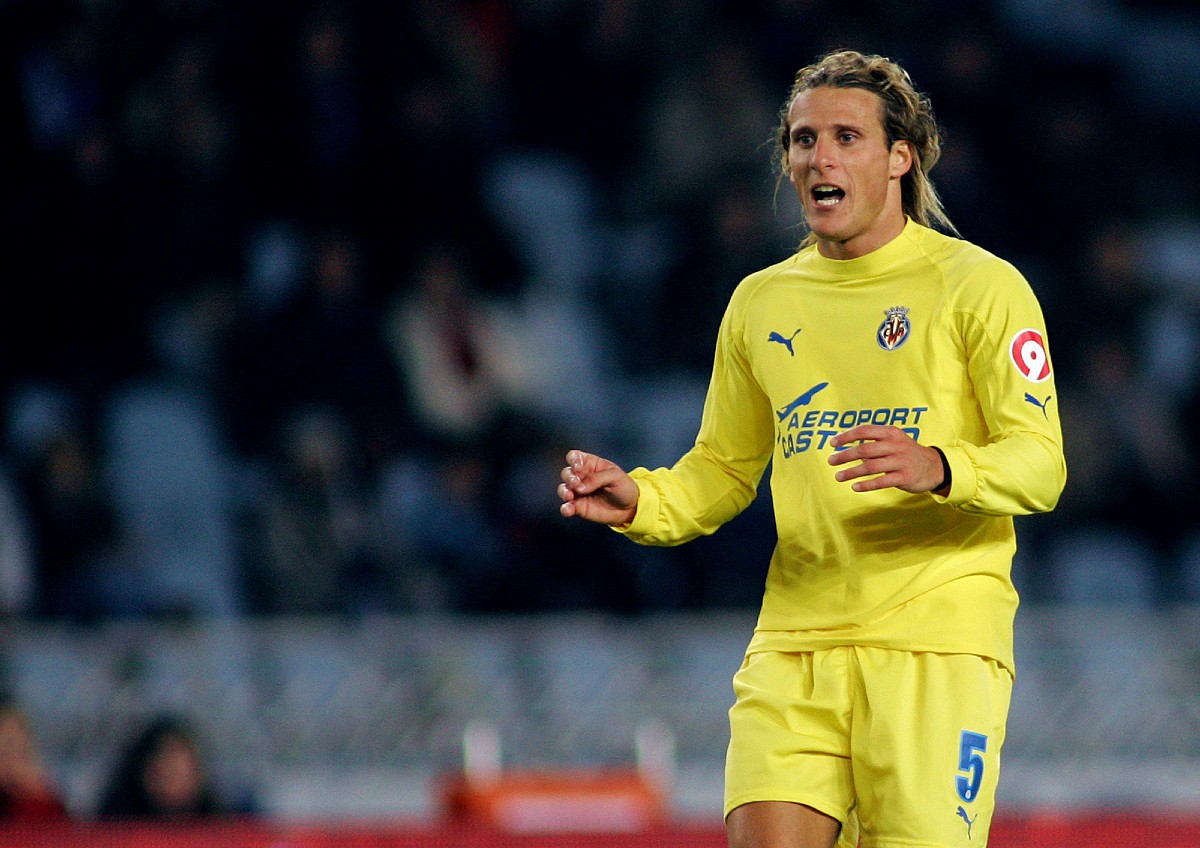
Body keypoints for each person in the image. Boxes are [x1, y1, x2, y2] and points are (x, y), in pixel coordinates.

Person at [557, 50, 1065, 848]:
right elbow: (724, 467)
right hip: (796, 641)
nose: (818, 157)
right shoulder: (761, 303)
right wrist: (644, 502)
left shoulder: (981, 288)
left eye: (845, 137)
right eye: (802, 139)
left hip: (934, 644)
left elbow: (1042, 464)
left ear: (901, 157)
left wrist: (940, 467)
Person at [0, 699, 69, 820]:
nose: (15, 762)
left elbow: (57, 834)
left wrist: (39, 797)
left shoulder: (41, 798)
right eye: (7, 750)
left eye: (23, 751)